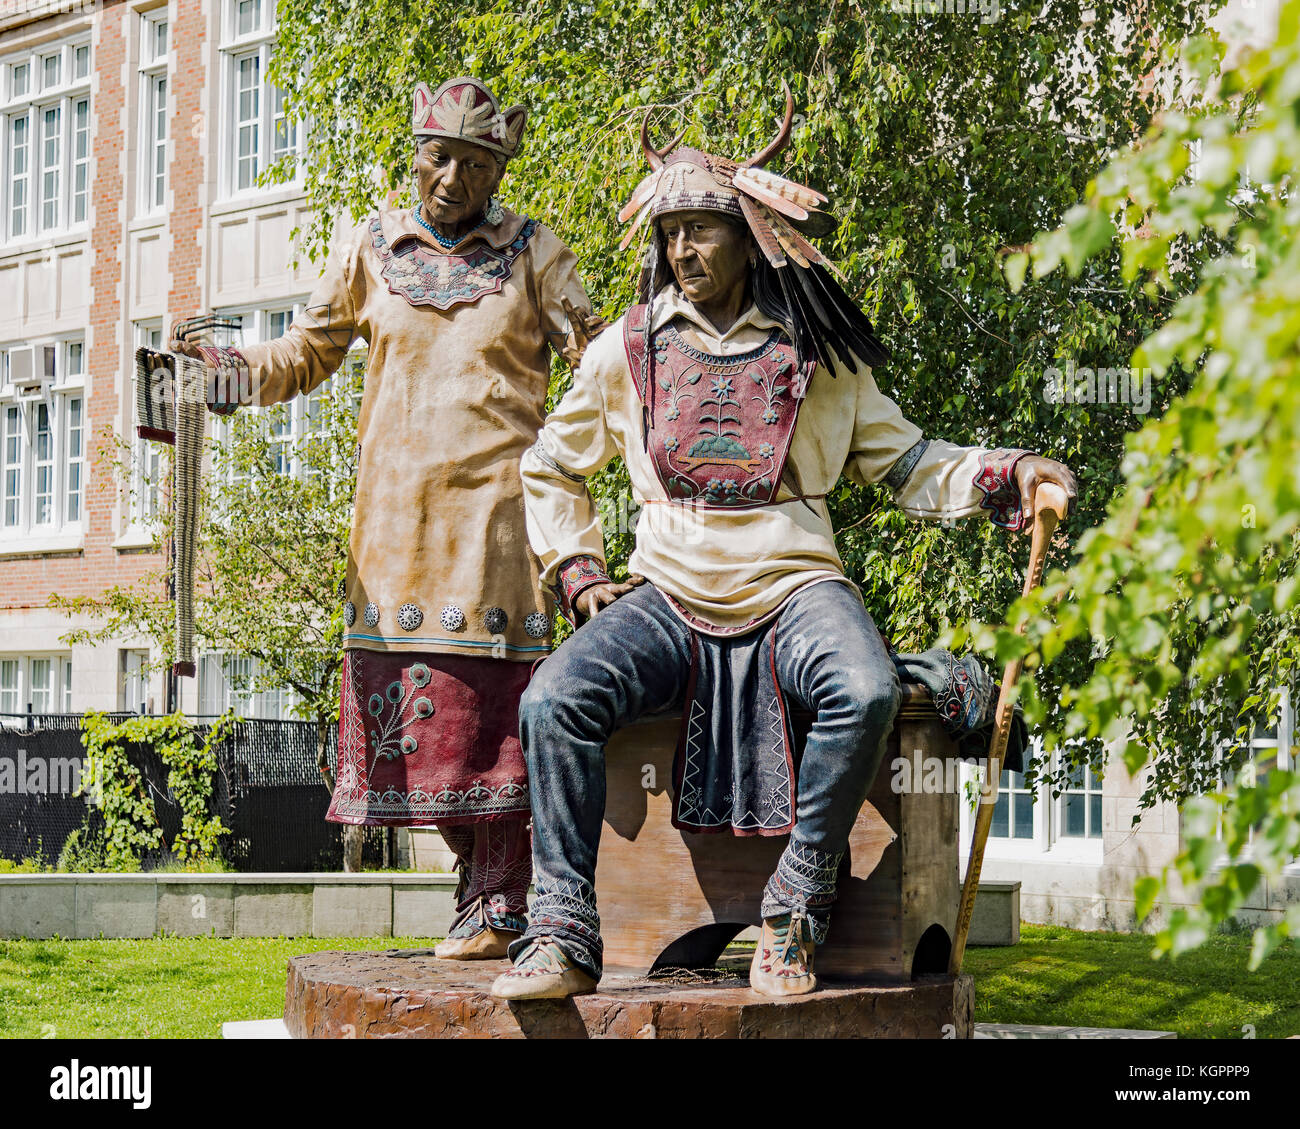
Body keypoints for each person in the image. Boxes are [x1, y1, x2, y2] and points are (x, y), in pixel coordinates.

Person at [490, 89, 1076, 999]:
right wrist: (580, 572)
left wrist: (1014, 469)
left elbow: (913, 461)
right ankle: (561, 935)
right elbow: (551, 464)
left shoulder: (819, 358)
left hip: (800, 586)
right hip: (666, 592)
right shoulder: (627, 349)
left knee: (868, 685)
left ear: (751, 236)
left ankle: (793, 910)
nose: (684, 250)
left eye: (703, 230)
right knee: (552, 698)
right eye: (671, 231)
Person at [172, 77, 603, 961]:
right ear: (415, 150)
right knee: (421, 741)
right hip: (393, 538)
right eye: (440, 155)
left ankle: (502, 896)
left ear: (499, 170)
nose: (453, 178)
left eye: (477, 164)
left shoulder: (533, 250)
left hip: (498, 531)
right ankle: (478, 891)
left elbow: (600, 360)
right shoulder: (370, 244)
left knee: (497, 728)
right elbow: (305, 351)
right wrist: (228, 372)